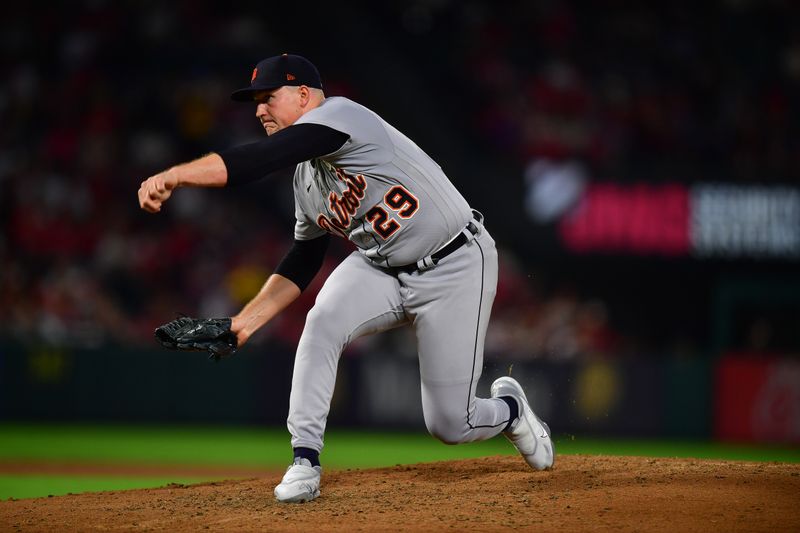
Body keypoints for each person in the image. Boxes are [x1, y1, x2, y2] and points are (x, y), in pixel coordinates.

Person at [138, 53, 554, 503]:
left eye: (268, 98)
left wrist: (177, 174)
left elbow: (260, 159)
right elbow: (302, 259)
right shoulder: (306, 181)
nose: (258, 110)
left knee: (451, 425)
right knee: (321, 323)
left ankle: (510, 411)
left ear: (303, 96)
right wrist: (244, 324)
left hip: (454, 262)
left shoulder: (342, 115)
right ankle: (304, 460)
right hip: (379, 265)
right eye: (255, 102)